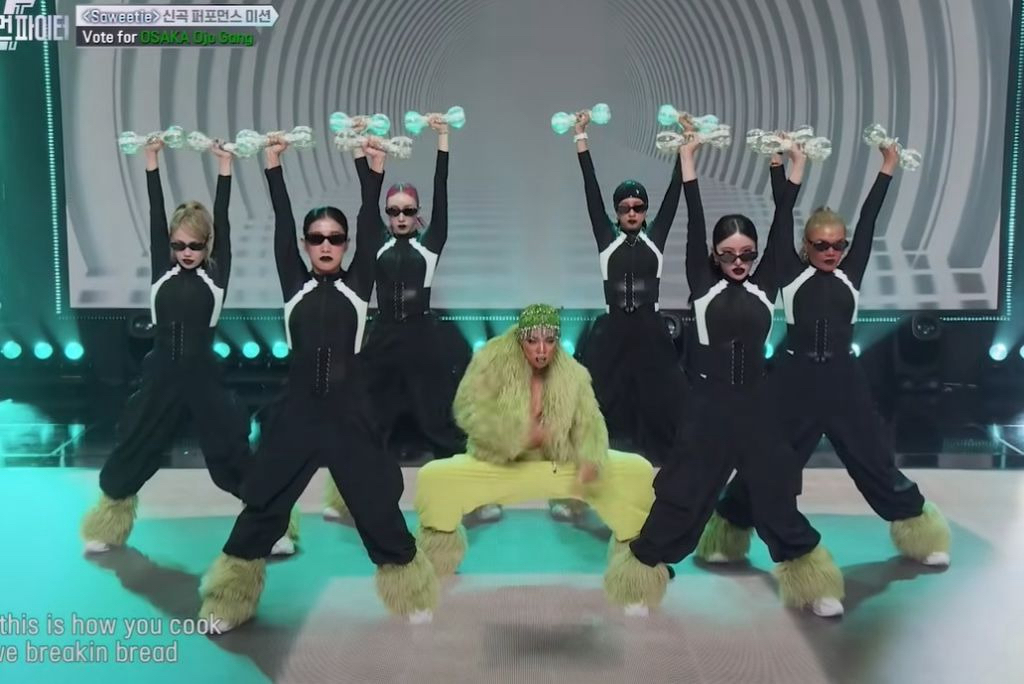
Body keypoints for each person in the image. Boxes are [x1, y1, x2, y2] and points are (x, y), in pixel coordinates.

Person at [196, 135, 437, 633]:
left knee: (376, 507)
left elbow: (369, 221)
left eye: (335, 238)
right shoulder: (294, 284)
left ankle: (412, 593)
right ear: (305, 245)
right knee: (263, 506)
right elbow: (281, 222)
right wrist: (273, 165)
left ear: (347, 245)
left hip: (351, 417)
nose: (326, 245)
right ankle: (228, 599)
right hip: (298, 416)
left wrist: (374, 171)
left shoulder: (358, 286)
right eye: (316, 238)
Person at [606, 138, 846, 618]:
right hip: (706, 411)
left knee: (776, 496)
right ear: (714, 255)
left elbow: (782, 221)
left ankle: (813, 582)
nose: (739, 261)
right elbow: (694, 216)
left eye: (747, 254)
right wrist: (687, 159)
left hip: (757, 409)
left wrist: (796, 167)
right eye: (729, 253)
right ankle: (640, 575)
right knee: (682, 497)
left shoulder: (765, 285)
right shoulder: (702, 285)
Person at [696, 145, 951, 568]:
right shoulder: (791, 276)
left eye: (838, 245)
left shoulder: (851, 275)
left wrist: (887, 167)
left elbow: (869, 219)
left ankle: (920, 533)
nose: (832, 252)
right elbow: (781, 220)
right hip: (793, 384)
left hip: (844, 383)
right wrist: (778, 168)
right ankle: (728, 530)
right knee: (770, 465)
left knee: (874, 462)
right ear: (806, 245)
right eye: (821, 245)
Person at [79, 140, 298, 556]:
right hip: (160, 375)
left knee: (231, 454)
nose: (186, 253)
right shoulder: (161, 272)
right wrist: (151, 160)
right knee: (135, 446)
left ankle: (271, 526)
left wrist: (225, 167)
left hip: (203, 378)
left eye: (195, 246)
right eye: (178, 245)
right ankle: (108, 525)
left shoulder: (216, 278)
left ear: (207, 245)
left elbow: (224, 220)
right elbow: (154, 211)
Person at [414, 304, 656, 606]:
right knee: (435, 478)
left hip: (556, 463)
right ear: (520, 338)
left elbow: (590, 421)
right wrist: (516, 435)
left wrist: (591, 457)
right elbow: (468, 409)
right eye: (533, 341)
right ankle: (431, 569)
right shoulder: (490, 361)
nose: (542, 350)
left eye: (550, 341)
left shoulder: (573, 374)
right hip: (499, 463)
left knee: (635, 471)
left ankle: (637, 574)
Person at [572, 109, 687, 473]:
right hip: (614, 329)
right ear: (617, 211)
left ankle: (664, 462)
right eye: (625, 208)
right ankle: (596, 459)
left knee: (661, 395)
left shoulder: (656, 238)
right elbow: (590, 190)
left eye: (638, 207)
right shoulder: (607, 239)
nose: (632, 213)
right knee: (601, 395)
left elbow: (676, 192)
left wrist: (684, 148)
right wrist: (581, 138)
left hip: (651, 329)